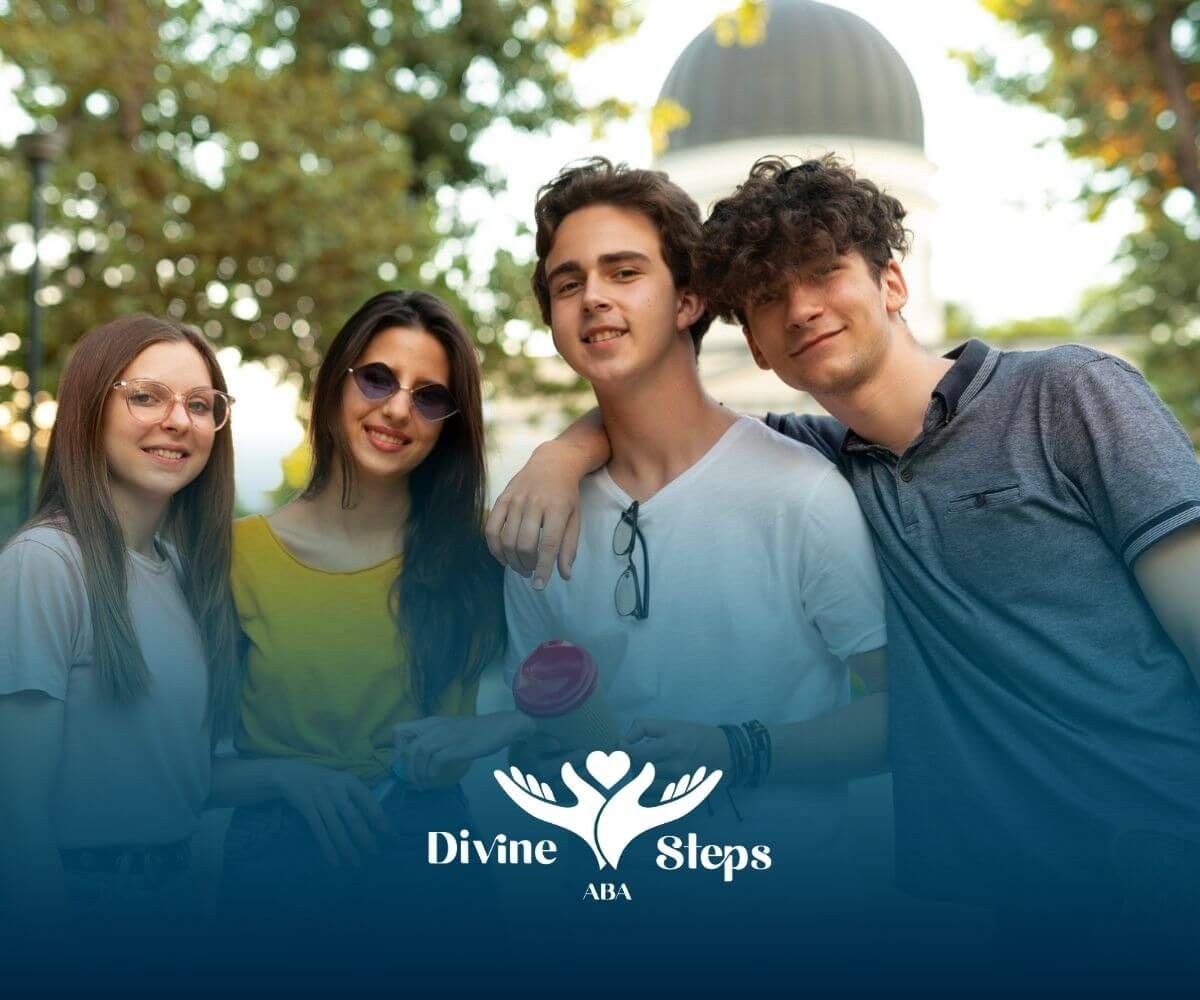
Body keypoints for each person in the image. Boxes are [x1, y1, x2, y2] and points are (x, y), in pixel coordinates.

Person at [489, 155, 1200, 956]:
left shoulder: (1070, 395)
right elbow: (669, 426)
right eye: (766, 297)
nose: (801, 308)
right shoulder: (828, 465)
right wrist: (557, 454)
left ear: (893, 280)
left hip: (1169, 862)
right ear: (753, 344)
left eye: (825, 273)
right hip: (1026, 910)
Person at [400, 161, 888, 962]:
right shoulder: (537, 515)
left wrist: (741, 751)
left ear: (688, 299)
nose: (593, 296)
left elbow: (897, 715)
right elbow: (559, 737)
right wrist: (500, 730)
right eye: (568, 283)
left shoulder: (801, 494)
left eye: (625, 272)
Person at [209, 290, 506, 962]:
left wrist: (492, 728)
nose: (399, 407)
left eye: (431, 396)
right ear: (335, 383)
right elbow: (179, 769)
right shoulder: (233, 558)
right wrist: (288, 778)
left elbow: (592, 686)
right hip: (276, 880)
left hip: (435, 877)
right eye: (378, 378)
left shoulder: (478, 556)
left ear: (450, 425)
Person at [0, 315, 239, 948]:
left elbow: (170, 774)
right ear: (89, 408)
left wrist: (301, 781)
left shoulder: (180, 569)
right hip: (87, 910)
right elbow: (17, 820)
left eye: (199, 404)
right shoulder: (45, 565)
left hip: (176, 904)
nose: (178, 420)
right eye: (146, 396)